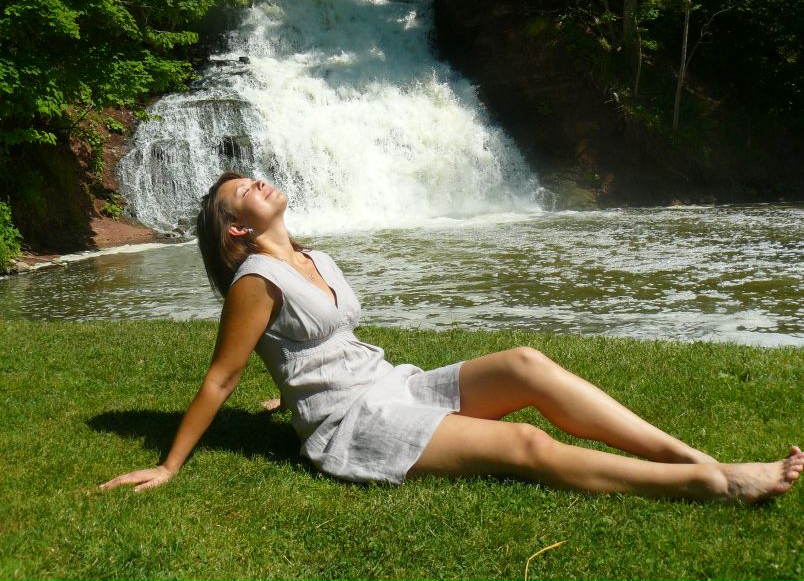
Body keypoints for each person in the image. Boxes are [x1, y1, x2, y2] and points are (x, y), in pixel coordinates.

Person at [102, 171, 803, 502]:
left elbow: (301, 346)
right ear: (236, 228)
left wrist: (286, 393)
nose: (258, 183)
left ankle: (695, 456)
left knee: (527, 363)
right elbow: (222, 376)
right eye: (243, 192)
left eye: (254, 178)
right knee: (525, 444)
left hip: (391, 382)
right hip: (352, 422)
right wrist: (169, 467)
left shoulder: (316, 258)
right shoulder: (254, 279)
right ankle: (714, 483)